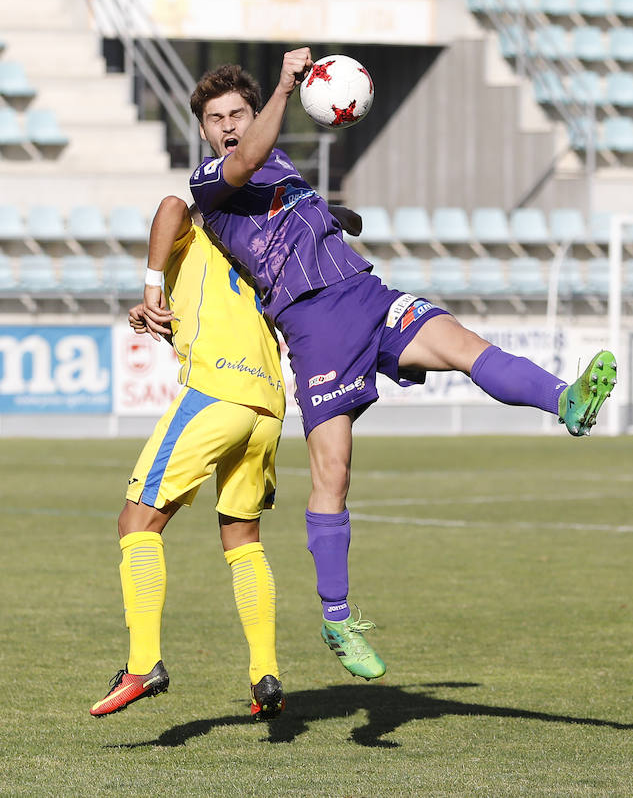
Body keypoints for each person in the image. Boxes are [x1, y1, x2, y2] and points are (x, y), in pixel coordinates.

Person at [147, 48, 616, 683]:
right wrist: (286, 87)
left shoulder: (281, 167)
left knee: (464, 346)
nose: (227, 124)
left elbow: (283, 196)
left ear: (250, 113)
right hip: (315, 324)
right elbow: (244, 162)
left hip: (367, 294)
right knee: (333, 472)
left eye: (237, 112)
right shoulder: (213, 181)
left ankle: (567, 401)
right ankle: (336, 615)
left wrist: (330, 216)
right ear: (203, 131)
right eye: (215, 118)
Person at [90, 196, 287, 721]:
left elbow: (174, 204)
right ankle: (265, 674)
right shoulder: (257, 259)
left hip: (216, 391)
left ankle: (142, 663)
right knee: (242, 539)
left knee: (137, 521)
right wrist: (159, 315)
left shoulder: (195, 237)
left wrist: (151, 286)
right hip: (267, 404)